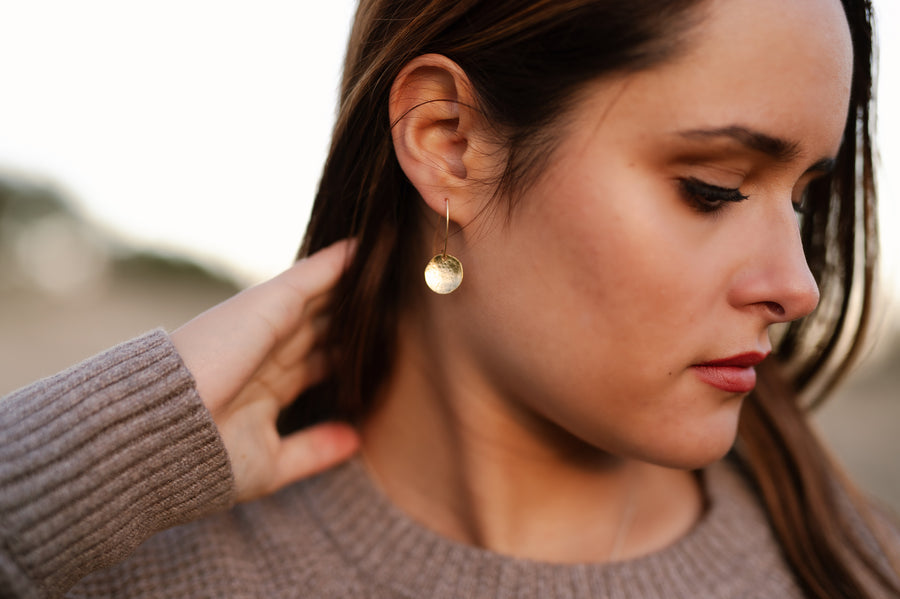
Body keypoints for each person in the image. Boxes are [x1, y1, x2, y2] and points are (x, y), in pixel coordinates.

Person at [1, 0, 899, 597]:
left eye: (805, 197)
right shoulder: (123, 562)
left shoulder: (854, 570)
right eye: (713, 186)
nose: (798, 285)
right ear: (450, 142)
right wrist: (83, 461)